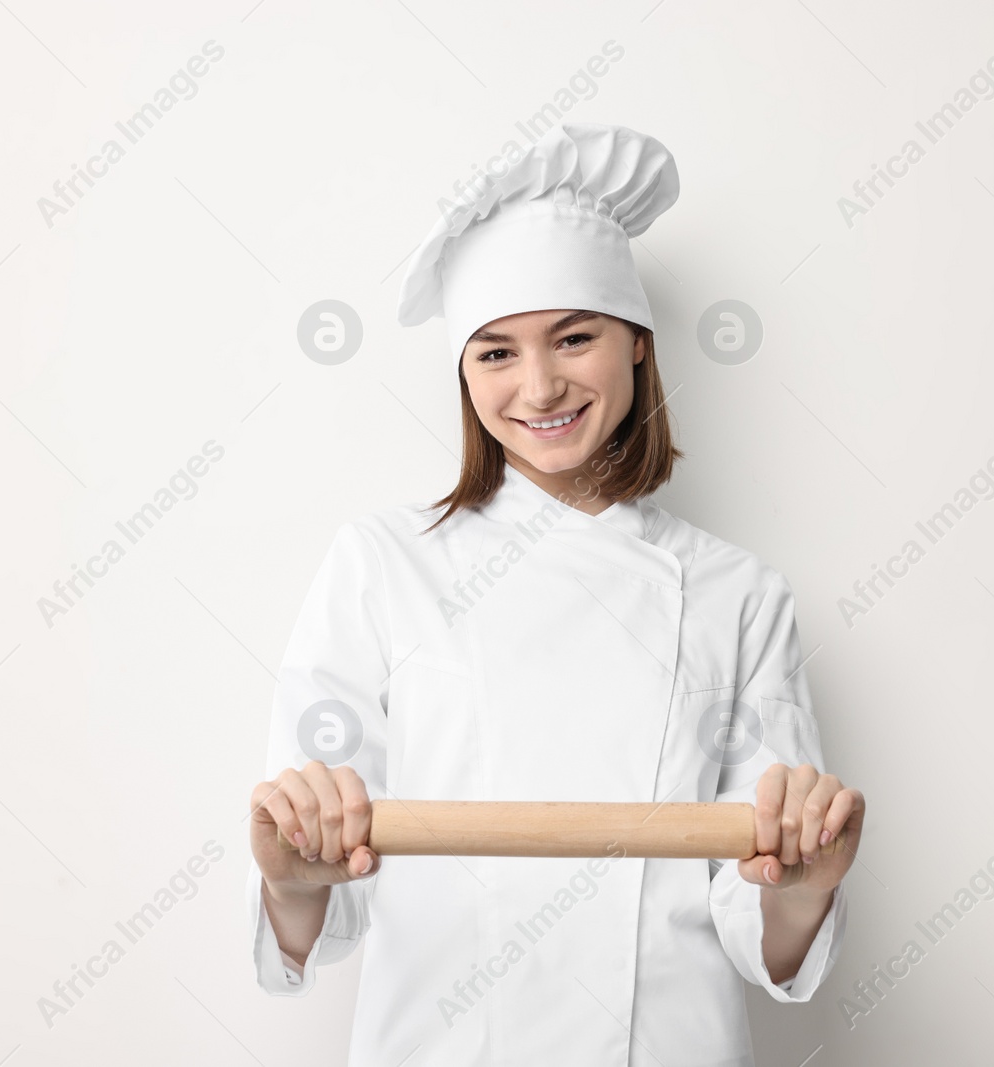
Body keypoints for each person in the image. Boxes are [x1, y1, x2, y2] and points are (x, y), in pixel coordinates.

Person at [245, 121, 865, 1066]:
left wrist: (804, 882)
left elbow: (763, 930)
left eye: (574, 337)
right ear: (463, 372)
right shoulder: (380, 565)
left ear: (638, 348)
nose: (538, 386)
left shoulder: (739, 593)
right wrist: (291, 881)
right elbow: (322, 891)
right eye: (495, 352)